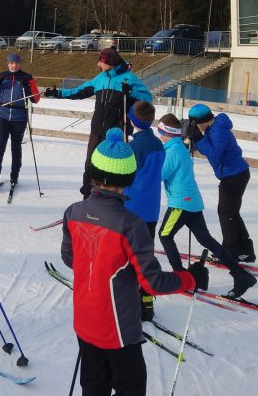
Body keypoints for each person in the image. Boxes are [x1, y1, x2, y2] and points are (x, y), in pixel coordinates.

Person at [61, 128, 207, 396]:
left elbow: (70, 257)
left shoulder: (74, 212)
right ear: (129, 177)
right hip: (117, 329)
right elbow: (152, 283)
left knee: (94, 385)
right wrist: (192, 278)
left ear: (93, 172)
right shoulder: (130, 225)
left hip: (84, 320)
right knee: (131, 386)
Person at [156, 113, 256, 299]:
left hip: (181, 203)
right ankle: (240, 275)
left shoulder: (172, 151)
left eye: (160, 132)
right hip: (192, 202)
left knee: (165, 235)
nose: (159, 136)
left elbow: (159, 175)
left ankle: (180, 276)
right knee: (206, 240)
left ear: (167, 133)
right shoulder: (178, 147)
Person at [44, 47, 151, 196]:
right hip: (97, 130)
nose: (98, 64)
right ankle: (87, 196)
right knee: (90, 165)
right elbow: (79, 91)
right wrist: (58, 93)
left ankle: (114, 198)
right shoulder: (100, 78)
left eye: (101, 61)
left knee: (114, 167)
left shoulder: (129, 78)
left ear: (110, 63)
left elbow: (147, 99)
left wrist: (131, 92)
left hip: (117, 132)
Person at [187, 103, 256, 262]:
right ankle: (245, 250)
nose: (196, 127)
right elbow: (209, 149)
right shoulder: (214, 127)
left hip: (234, 176)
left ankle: (230, 252)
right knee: (231, 213)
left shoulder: (217, 130)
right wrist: (196, 139)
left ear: (203, 121)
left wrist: (198, 138)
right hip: (234, 174)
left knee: (226, 214)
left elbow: (215, 154)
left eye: (196, 124)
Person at [123, 100, 165, 322]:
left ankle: (130, 301)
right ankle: (146, 301)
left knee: (128, 256)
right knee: (146, 256)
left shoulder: (135, 147)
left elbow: (126, 175)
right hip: (151, 209)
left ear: (132, 121)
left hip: (132, 208)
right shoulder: (159, 144)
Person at [0, 53, 40, 189]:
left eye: (16, 63)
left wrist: (27, 87)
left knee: (16, 148)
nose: (14, 65)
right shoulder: (2, 76)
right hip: (2, 116)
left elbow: (36, 99)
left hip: (19, 118)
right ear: (8, 64)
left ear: (19, 64)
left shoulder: (27, 77)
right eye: (11, 63)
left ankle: (14, 175)